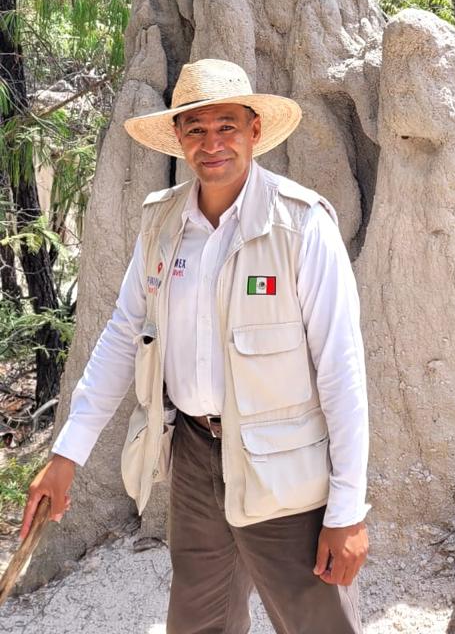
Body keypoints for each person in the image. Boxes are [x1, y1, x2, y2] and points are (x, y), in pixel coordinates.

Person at [21, 58, 370, 633]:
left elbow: (342, 372)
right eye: (196, 129)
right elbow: (122, 337)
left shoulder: (301, 226)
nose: (212, 144)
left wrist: (348, 510)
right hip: (193, 456)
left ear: (254, 131)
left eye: (226, 126)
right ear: (179, 138)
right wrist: (66, 456)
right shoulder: (162, 227)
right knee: (198, 622)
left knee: (316, 622)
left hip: (283, 467)